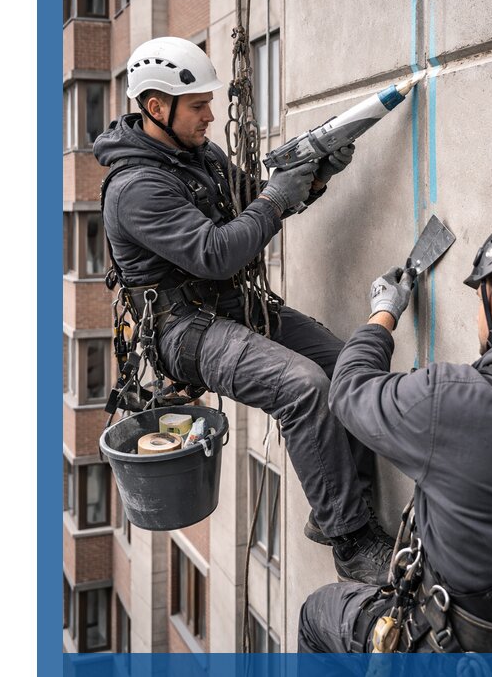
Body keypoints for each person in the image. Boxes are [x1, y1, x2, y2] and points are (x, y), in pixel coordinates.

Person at [94, 36, 394, 583]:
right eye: (198, 106)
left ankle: (341, 506)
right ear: (156, 107)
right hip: (183, 329)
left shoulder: (198, 156)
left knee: (345, 363)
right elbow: (216, 252)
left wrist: (315, 177)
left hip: (231, 305)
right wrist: (276, 197)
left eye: (210, 103)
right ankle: (351, 542)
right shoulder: (135, 188)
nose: (211, 115)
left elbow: (252, 201)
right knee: (302, 386)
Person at [298, 211, 492, 653]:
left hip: (456, 651)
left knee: (319, 613)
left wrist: (383, 312)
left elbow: (348, 390)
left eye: (480, 300)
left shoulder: (455, 399)